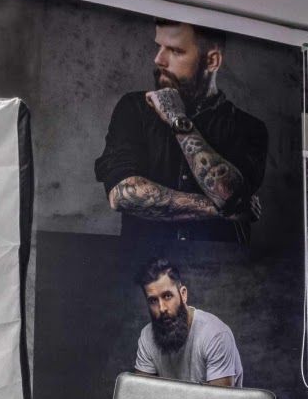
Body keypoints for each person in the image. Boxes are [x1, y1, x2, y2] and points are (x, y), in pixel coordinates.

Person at [93, 20, 268, 243]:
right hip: (147, 270)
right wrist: (221, 209)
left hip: (222, 268)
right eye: (159, 46)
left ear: (212, 61)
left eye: (175, 51)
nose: (159, 59)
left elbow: (230, 194)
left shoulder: (249, 128)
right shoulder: (134, 109)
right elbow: (123, 194)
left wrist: (177, 119)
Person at [132, 258, 243, 389]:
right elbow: (141, 396)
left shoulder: (215, 335)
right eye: (153, 301)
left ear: (183, 294)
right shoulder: (147, 336)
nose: (161, 308)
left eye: (167, 296)